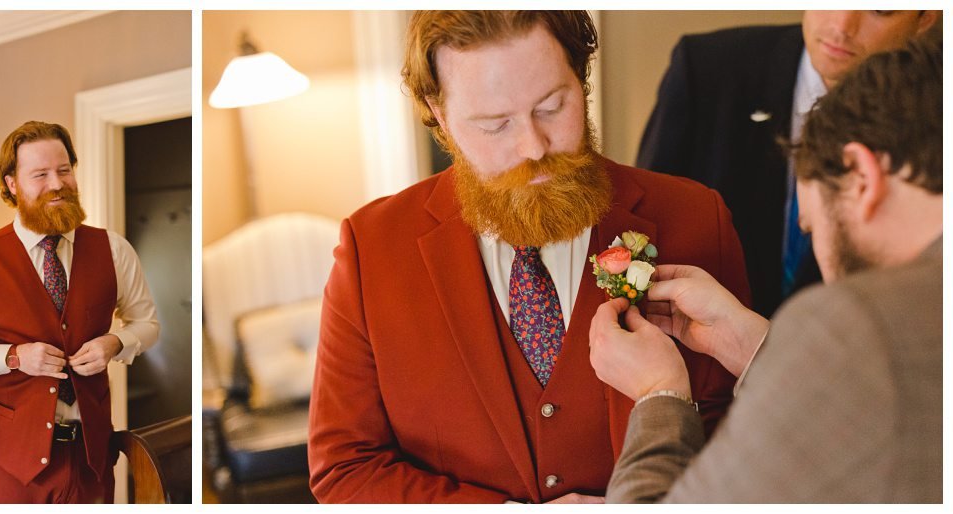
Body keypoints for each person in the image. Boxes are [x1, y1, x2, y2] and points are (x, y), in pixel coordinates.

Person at [308, 11, 749, 503]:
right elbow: (346, 468)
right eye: (494, 125)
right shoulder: (372, 250)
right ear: (440, 113)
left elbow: (744, 431)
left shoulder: (694, 217)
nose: (533, 148)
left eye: (552, 107)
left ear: (580, 78)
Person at [589, 36, 941, 502]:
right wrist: (754, 344)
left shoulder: (863, 323)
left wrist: (660, 395)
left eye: (813, 225)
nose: (810, 236)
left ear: (861, 176)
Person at [0, 121, 160, 503]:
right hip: (12, 465)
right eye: (40, 174)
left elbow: (148, 324)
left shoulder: (113, 249)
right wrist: (13, 357)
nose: (57, 184)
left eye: (64, 170)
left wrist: (117, 342)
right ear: (12, 184)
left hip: (91, 459)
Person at [636, 10, 937, 317]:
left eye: (880, 9)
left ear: (925, 18)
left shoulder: (934, 118)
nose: (842, 25)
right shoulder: (705, 67)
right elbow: (644, 223)